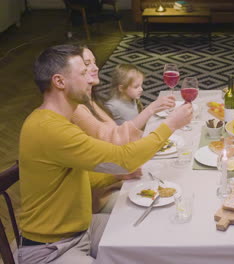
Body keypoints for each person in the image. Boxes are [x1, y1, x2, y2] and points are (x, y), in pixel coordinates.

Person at [18, 44, 192, 264]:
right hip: (50, 248)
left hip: (82, 228)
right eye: (83, 73)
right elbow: (123, 159)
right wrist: (170, 125)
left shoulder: (62, 120)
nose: (92, 80)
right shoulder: (49, 129)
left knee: (150, 238)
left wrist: (118, 176)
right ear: (59, 82)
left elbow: (78, 176)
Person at [71, 47, 175, 213]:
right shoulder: (77, 110)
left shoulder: (91, 101)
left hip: (118, 178)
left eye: (94, 62)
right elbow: (115, 140)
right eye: (87, 64)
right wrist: (165, 123)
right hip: (100, 197)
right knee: (165, 205)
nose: (96, 68)